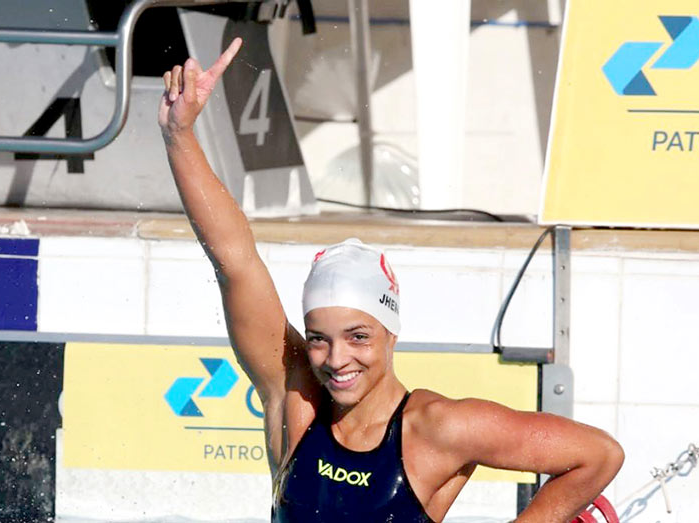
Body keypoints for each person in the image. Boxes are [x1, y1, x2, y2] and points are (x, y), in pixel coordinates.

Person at [158, 38, 624, 523]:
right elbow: (235, 260)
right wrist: (180, 136)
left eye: (358, 336)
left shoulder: (439, 428)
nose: (337, 360)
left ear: (390, 331)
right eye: (319, 339)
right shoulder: (295, 402)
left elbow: (597, 455)